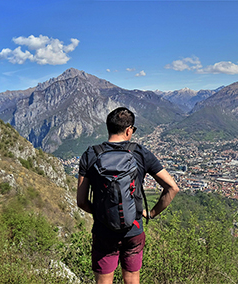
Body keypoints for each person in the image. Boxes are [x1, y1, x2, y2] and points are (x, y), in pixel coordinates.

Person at [76, 107, 179, 284]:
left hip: (103, 231)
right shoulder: (140, 153)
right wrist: (151, 213)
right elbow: (172, 188)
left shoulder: (90, 155)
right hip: (134, 230)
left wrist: (102, 214)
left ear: (108, 127)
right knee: (131, 279)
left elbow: (81, 201)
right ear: (129, 130)